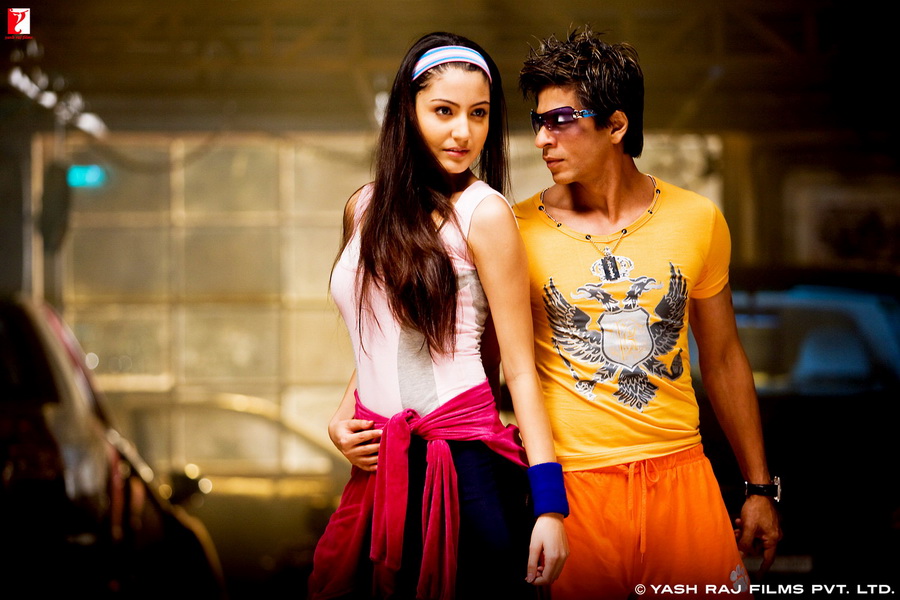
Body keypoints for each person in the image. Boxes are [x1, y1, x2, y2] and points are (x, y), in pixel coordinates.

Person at [512, 26, 782, 599]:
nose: (541, 139)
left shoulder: (697, 218)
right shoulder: (513, 228)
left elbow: (724, 357)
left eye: (559, 120)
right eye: (538, 121)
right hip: (573, 487)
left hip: (681, 474)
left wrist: (759, 487)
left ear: (616, 125)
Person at [308, 32, 568, 600]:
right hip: (381, 463)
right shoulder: (363, 207)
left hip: (465, 463)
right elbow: (379, 327)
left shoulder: (485, 212)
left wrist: (550, 507)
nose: (463, 133)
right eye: (444, 111)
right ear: (407, 111)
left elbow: (519, 369)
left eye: (479, 114)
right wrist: (342, 415)